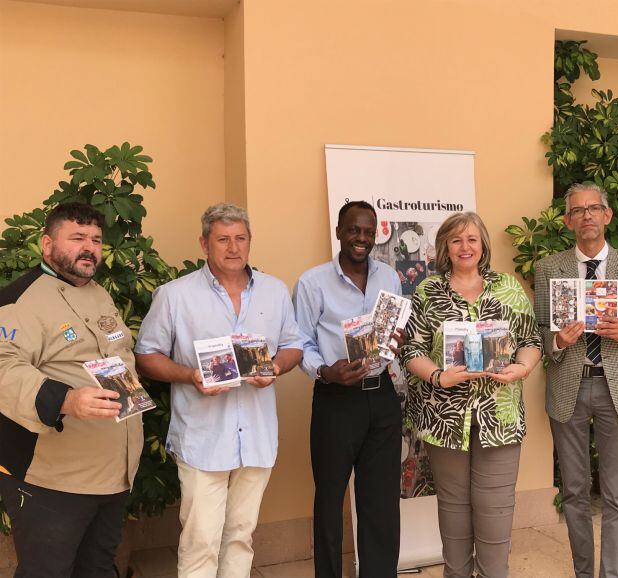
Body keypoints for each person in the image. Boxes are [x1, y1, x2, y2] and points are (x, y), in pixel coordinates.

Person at [134, 203, 303, 578]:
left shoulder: (274, 291)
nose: (233, 247)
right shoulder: (174, 295)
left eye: (240, 238)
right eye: (223, 239)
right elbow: (146, 355)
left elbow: (294, 345)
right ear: (204, 243)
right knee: (200, 541)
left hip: (256, 437)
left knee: (241, 536)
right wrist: (189, 374)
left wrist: (275, 367)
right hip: (203, 437)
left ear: (249, 241)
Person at [0, 202, 142, 577]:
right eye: (77, 237)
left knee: (96, 568)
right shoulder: (19, 300)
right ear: (47, 245)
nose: (90, 247)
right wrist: (64, 398)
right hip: (51, 478)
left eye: (96, 239)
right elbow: (3, 368)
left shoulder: (99, 294)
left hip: (113, 472)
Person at [401, 211, 542, 578]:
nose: (465, 247)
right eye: (457, 240)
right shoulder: (428, 292)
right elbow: (410, 349)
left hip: (500, 417)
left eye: (472, 239)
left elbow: (530, 341)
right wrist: (436, 375)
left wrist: (522, 368)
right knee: (453, 508)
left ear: (483, 246)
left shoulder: (508, 288)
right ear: (446, 247)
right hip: (445, 419)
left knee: (495, 510)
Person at [533, 182, 618, 578]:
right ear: (568, 221)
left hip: (615, 386)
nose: (586, 215)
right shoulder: (548, 268)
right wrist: (556, 339)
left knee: (617, 495)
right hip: (568, 385)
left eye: (594, 208)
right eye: (577, 210)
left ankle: (613, 575)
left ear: (607, 215)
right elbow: (537, 331)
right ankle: (584, 573)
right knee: (573, 491)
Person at [293, 200, 404, 578]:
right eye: (354, 230)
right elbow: (300, 342)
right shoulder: (312, 282)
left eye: (368, 231)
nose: (361, 238)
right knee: (329, 499)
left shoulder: (389, 278)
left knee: (381, 502)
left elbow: (393, 330)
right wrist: (326, 372)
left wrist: (396, 342)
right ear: (338, 231)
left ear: (376, 235)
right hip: (336, 399)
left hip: (382, 397)